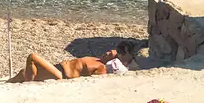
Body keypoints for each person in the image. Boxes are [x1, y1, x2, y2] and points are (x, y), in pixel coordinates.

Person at [8, 41, 136, 83]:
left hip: (61, 74)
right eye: (109, 51)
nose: (108, 52)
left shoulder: (101, 68)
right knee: (24, 72)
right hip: (58, 67)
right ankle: (8, 83)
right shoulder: (96, 59)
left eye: (111, 54)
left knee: (32, 57)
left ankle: (28, 85)